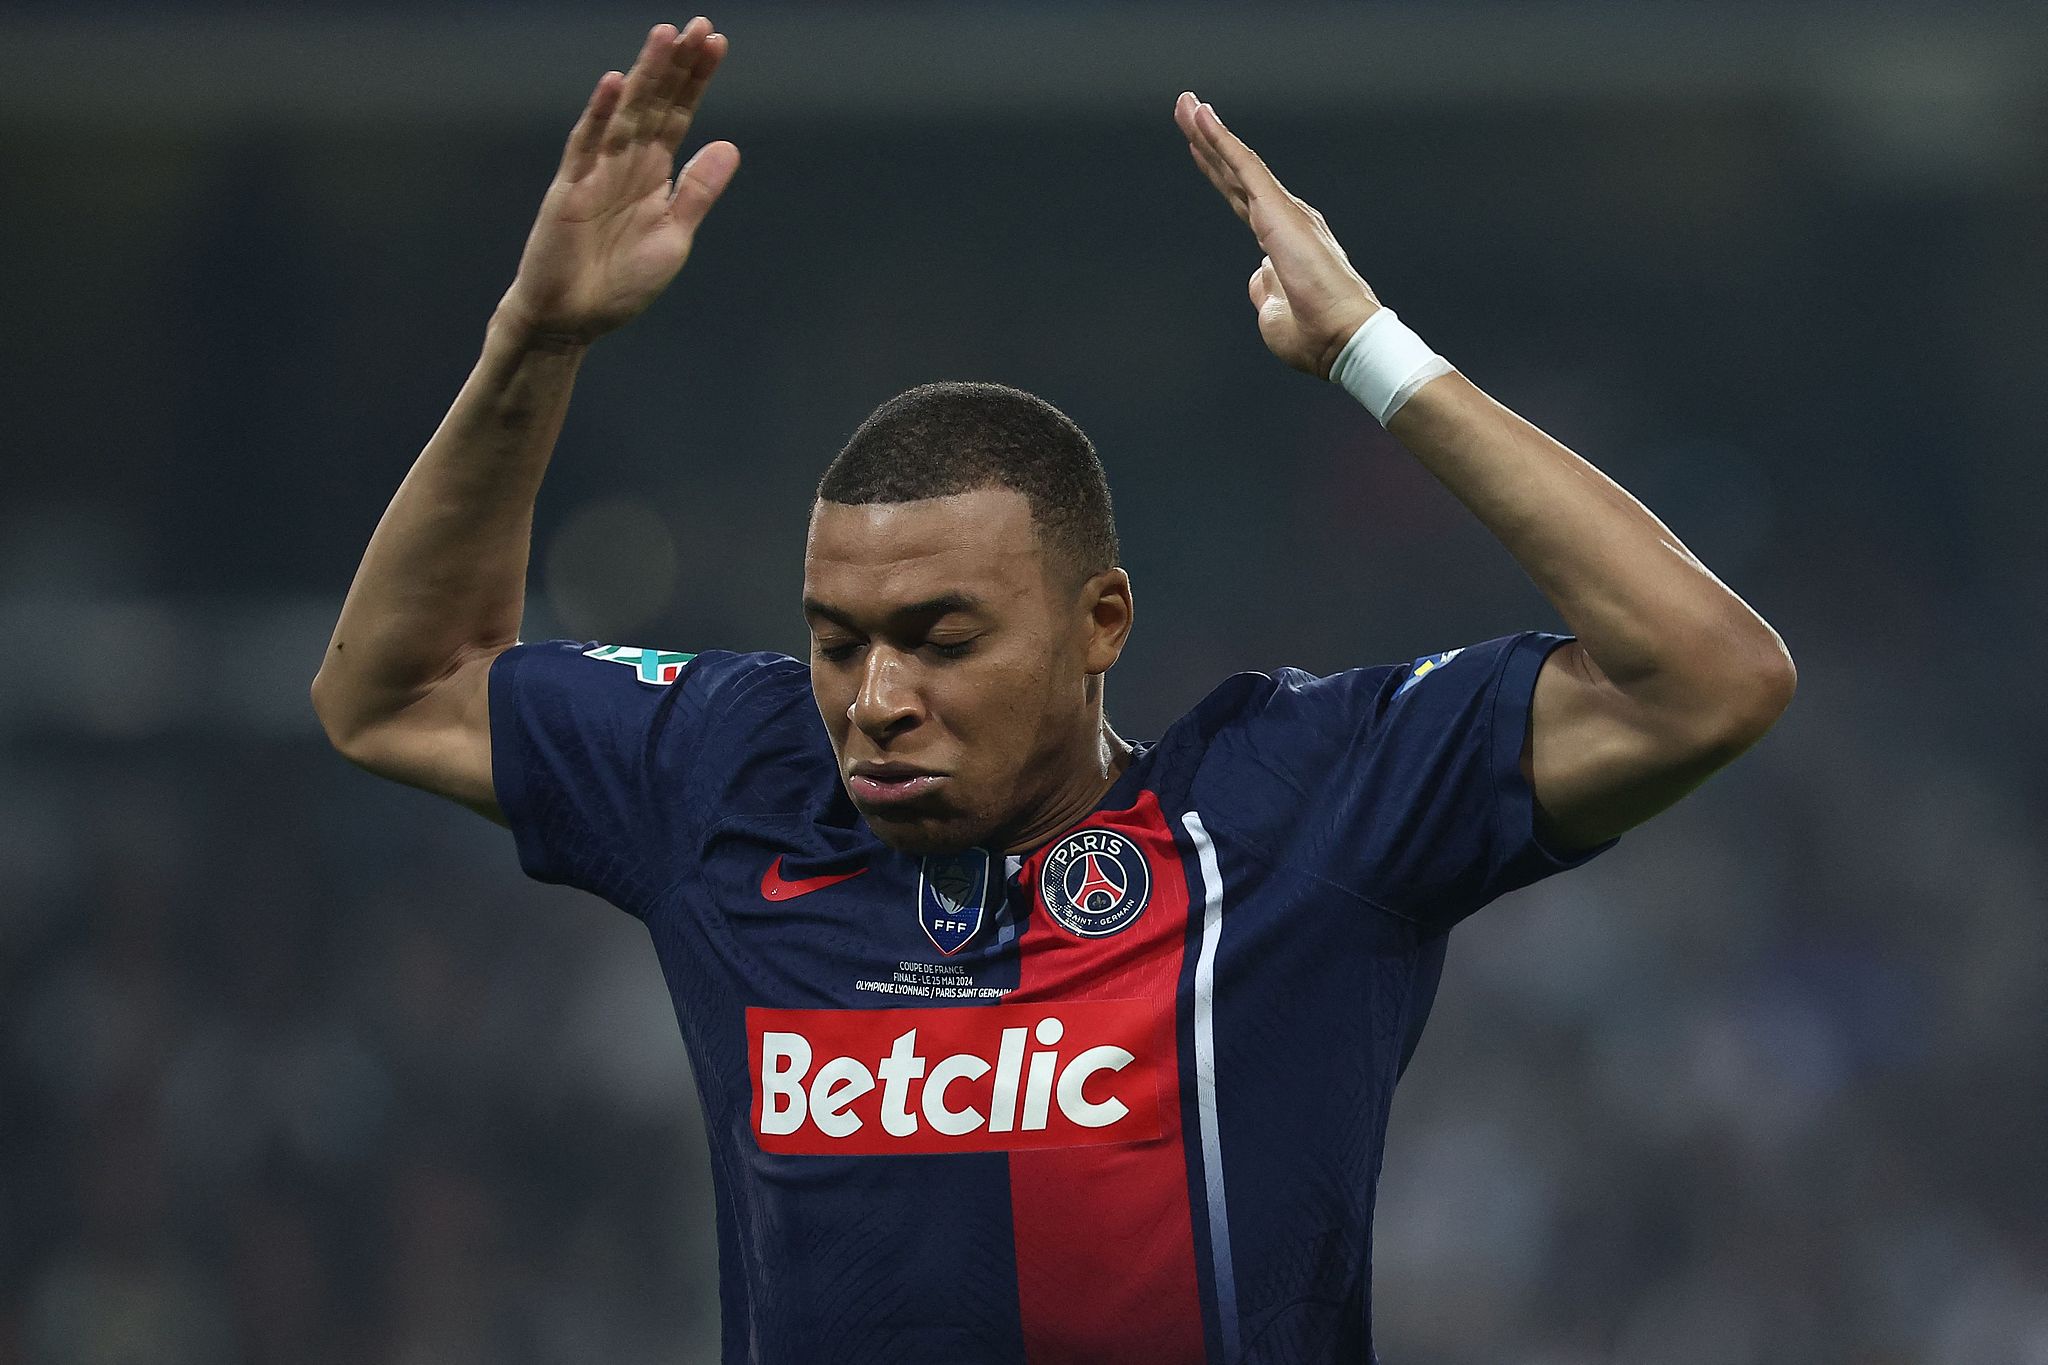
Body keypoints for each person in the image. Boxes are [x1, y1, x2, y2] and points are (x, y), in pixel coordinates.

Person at [311, 17, 1795, 1364]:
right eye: (837, 638)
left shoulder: (1295, 811)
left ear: (1103, 621)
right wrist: (536, 338)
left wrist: (1370, 355)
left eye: (942, 636)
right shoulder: (734, 774)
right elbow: (399, 686)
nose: (875, 695)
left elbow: (1705, 679)